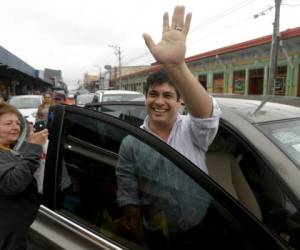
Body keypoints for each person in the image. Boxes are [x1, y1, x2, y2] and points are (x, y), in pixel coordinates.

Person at [115, 6, 221, 249]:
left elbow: (206, 117)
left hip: (202, 228)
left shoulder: (192, 131)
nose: (159, 101)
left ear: (179, 100)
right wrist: (140, 239)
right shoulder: (131, 143)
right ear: (145, 98)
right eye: (153, 94)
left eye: (167, 95)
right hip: (157, 236)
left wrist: (178, 65)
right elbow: (129, 196)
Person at [0, 102, 48, 250]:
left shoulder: (9, 149)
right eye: (8, 123)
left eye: (17, 123)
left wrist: (31, 144)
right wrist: (34, 147)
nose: (15, 127)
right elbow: (13, 183)